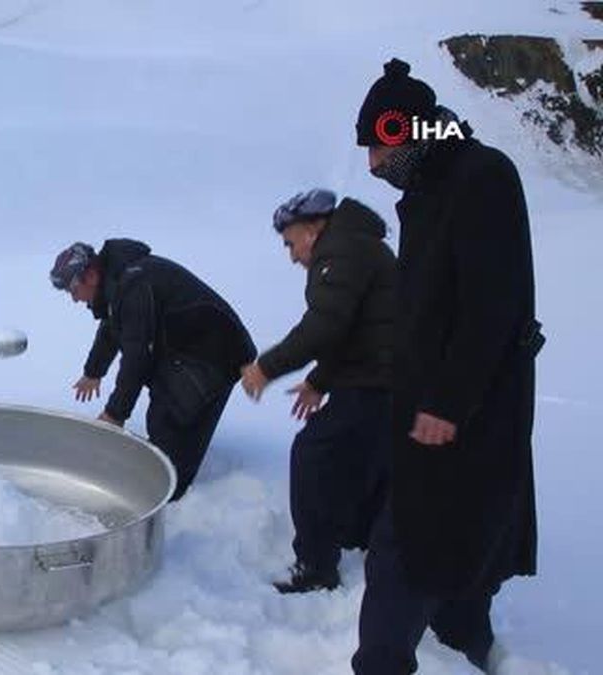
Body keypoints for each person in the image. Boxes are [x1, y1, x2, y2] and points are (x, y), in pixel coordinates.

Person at [351, 59, 542, 674]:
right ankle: (467, 643)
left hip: (464, 407)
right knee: (464, 528)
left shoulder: (480, 176)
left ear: (407, 130)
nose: (372, 166)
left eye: (376, 147)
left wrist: (447, 401)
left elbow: (493, 304)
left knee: (404, 544)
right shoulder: (431, 190)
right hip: (439, 402)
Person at [239, 188, 395, 594]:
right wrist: (319, 380)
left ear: (313, 227)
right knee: (361, 459)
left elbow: (325, 325)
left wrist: (265, 368)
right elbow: (355, 329)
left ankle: (316, 566)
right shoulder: (354, 245)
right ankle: (363, 538)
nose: (291, 255)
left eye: (291, 242)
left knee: (314, 456)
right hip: (382, 377)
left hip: (380, 381)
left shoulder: (342, 251)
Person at [50, 239, 256, 501]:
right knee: (161, 412)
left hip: (217, 355)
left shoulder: (133, 286)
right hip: (186, 348)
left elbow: (137, 357)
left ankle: (173, 494)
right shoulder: (118, 280)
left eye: (73, 289)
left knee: (176, 423)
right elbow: (113, 325)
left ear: (90, 275)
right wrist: (94, 371)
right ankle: (165, 464)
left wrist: (115, 414)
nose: (74, 299)